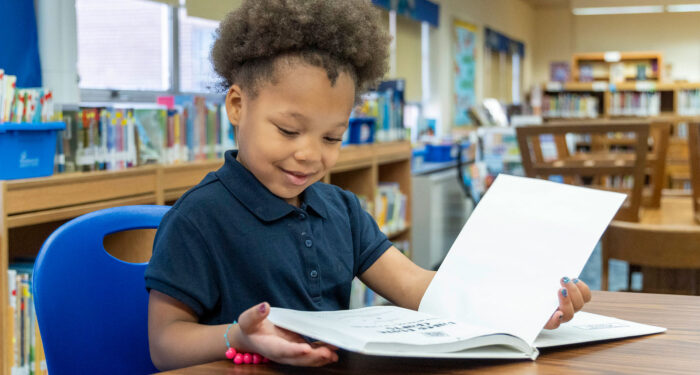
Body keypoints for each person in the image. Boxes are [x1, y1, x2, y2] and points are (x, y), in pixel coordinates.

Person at [145, 0, 592, 370]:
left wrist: (527, 304)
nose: (310, 154)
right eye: (287, 130)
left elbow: (419, 288)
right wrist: (239, 336)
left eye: (331, 137)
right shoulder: (198, 218)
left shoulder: (341, 208)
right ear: (238, 105)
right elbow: (165, 344)